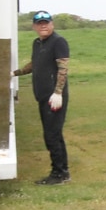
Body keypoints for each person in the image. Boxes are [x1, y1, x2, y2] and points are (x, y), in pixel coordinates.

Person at [12, 10, 72, 185]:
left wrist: (58, 92)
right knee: (53, 134)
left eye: (46, 22)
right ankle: (63, 171)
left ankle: (58, 173)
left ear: (52, 24)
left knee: (52, 135)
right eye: (39, 23)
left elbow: (63, 68)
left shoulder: (58, 42)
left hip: (54, 97)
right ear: (34, 27)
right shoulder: (37, 43)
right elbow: (34, 64)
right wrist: (15, 73)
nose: (43, 26)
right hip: (42, 95)